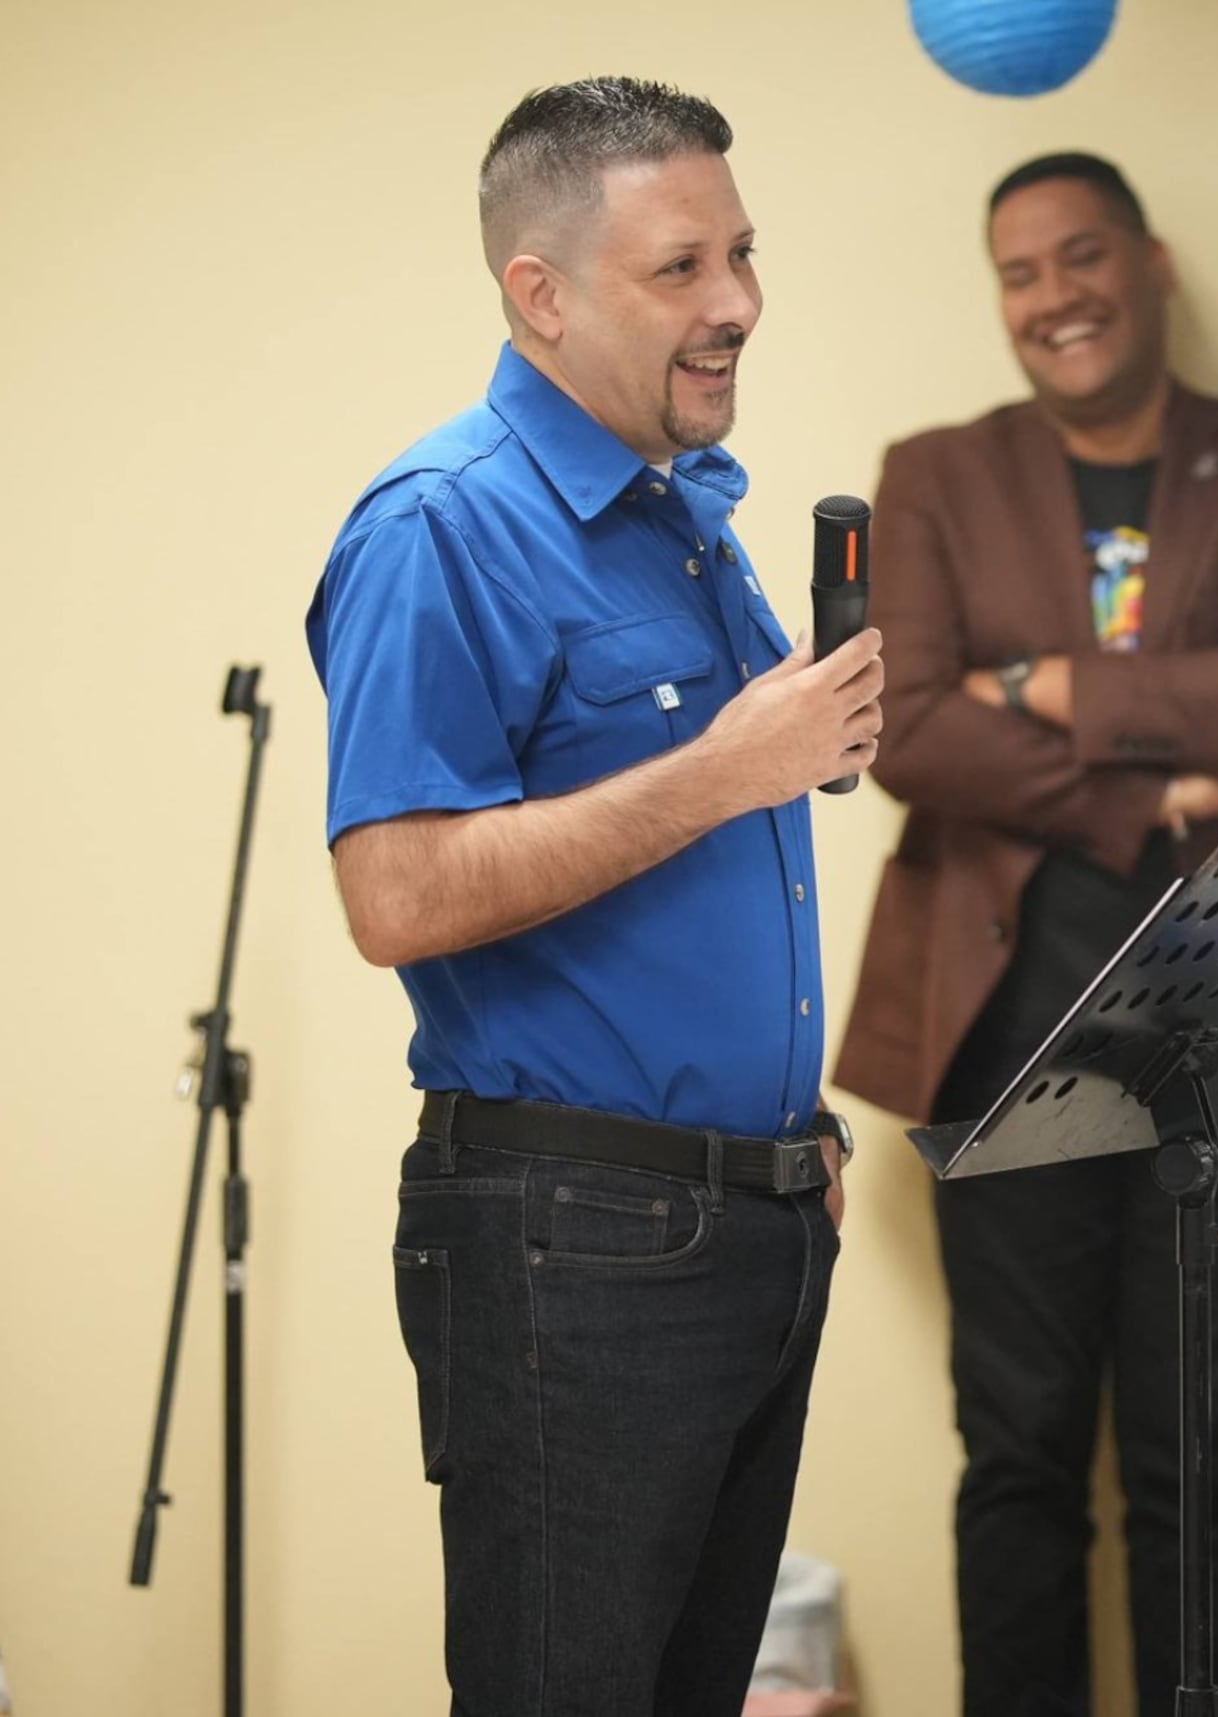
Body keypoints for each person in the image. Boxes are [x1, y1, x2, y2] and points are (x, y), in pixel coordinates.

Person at [306, 78, 885, 1714]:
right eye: (681, 269)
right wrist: (731, 761)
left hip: (746, 1220)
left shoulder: (682, 517)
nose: (738, 308)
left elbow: (685, 880)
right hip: (578, 1243)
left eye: (744, 256)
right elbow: (396, 889)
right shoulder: (447, 528)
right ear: (539, 294)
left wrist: (789, 1128)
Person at [832, 152, 1218, 1715]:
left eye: (1082, 258)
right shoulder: (935, 472)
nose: (1054, 297)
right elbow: (911, 729)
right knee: (1016, 1457)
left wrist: (1049, 683)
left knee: (1195, 1460)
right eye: (1020, 273)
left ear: (1152, 263)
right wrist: (1144, 792)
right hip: (1003, 1022)